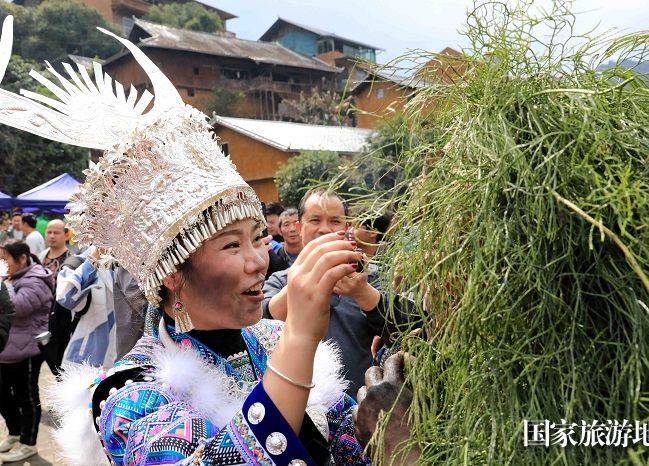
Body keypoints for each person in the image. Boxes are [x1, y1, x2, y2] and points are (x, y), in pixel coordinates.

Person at [0, 18, 377, 464]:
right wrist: (299, 341)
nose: (259, 261)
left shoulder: (273, 338)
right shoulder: (128, 393)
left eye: (258, 238)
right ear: (174, 275)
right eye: (232, 246)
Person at [264, 188, 389, 395]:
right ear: (299, 227)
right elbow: (261, 322)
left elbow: (402, 327)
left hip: (359, 411)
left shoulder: (368, 277)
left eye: (335, 221)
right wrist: (304, 278)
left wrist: (363, 293)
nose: (324, 229)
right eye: (314, 220)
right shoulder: (280, 280)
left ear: (347, 227)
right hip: (295, 406)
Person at [0, 242, 53, 462]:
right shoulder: (10, 278)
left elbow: (17, 307)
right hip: (6, 349)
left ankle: (28, 442)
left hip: (27, 349)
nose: (2, 264)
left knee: (27, 397)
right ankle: (14, 432)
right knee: (2, 395)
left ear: (22, 258)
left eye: (5, 259)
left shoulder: (36, 280)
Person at [266, 208, 303, 278]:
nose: (292, 229)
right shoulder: (273, 258)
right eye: (286, 224)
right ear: (279, 231)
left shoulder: (313, 253)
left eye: (296, 223)